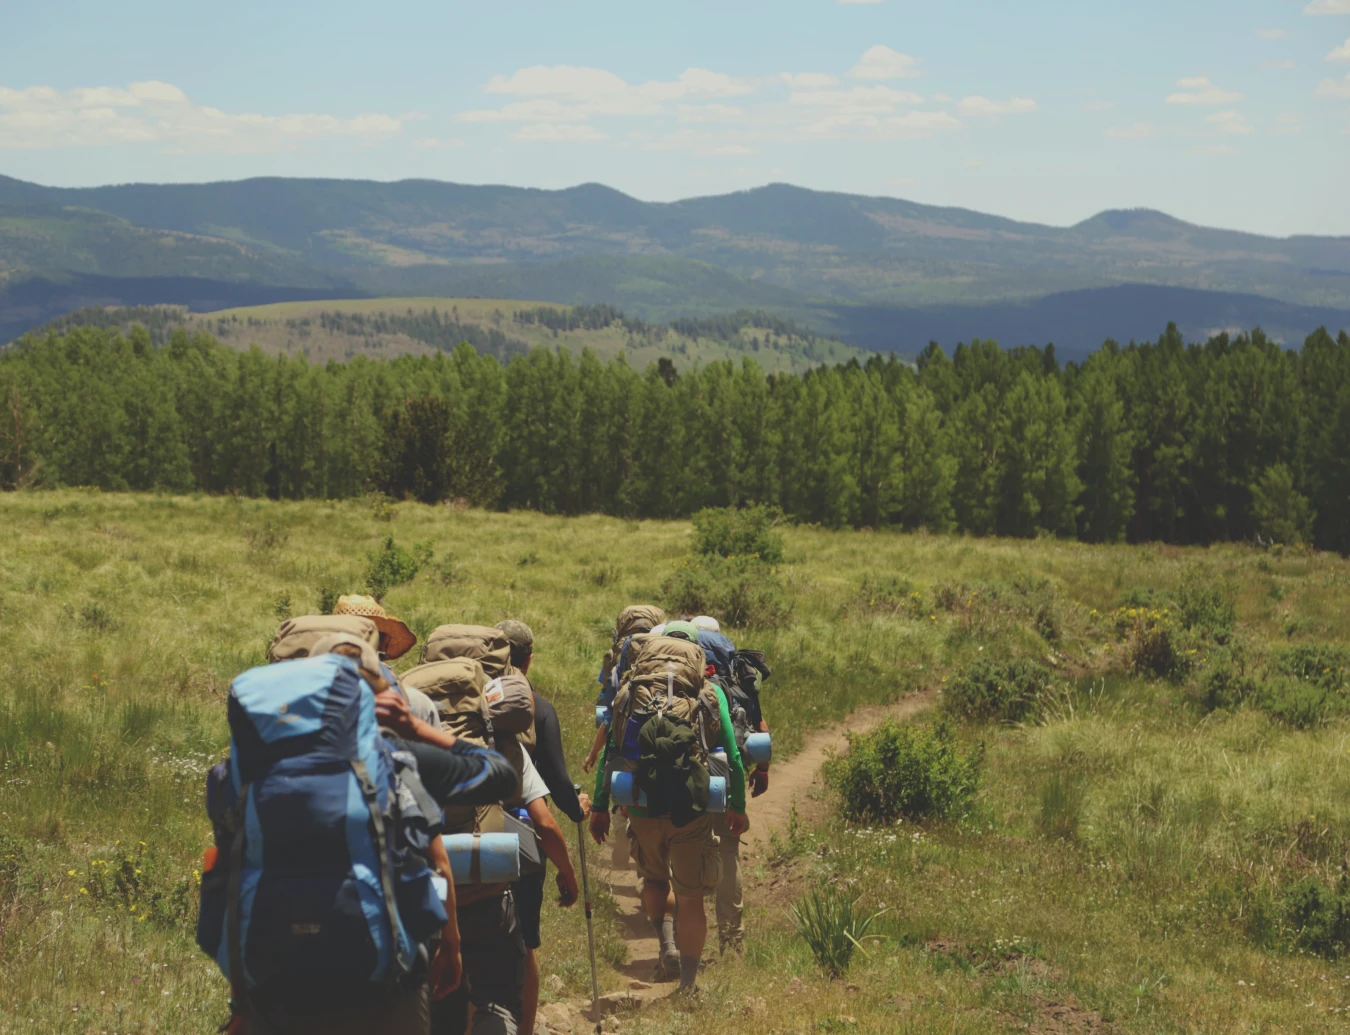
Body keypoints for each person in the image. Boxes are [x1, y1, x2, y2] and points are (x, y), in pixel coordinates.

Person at [209, 639, 511, 1035]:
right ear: (377, 697)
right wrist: (415, 728)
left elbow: (230, 882)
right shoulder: (395, 762)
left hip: (275, 990)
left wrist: (240, 1002)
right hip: (384, 991)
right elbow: (499, 775)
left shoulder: (241, 776)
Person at [588, 621, 748, 993]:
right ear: (697, 654)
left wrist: (599, 805)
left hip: (642, 805)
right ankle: (688, 985)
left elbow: (611, 752)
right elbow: (734, 756)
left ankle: (666, 947)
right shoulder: (709, 692)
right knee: (691, 897)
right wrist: (737, 805)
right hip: (689, 806)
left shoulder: (631, 689)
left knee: (654, 880)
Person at [496, 620, 588, 1035]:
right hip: (522, 842)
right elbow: (557, 784)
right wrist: (579, 810)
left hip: (460, 836)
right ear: (529, 659)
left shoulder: (470, 705)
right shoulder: (538, 708)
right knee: (525, 945)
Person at [689, 616, 771, 953]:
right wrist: (762, 770)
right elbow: (759, 727)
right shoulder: (733, 677)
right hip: (722, 773)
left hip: (684, 777)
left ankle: (681, 940)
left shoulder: (676, 679)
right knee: (727, 851)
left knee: (682, 854)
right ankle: (732, 939)